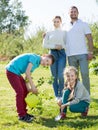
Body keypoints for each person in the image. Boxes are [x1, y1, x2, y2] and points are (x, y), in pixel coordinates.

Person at [6, 53, 55, 123]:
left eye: (47, 64)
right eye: (47, 60)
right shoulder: (34, 58)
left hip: (16, 73)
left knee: (25, 91)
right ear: (44, 55)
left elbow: (27, 77)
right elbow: (27, 72)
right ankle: (21, 115)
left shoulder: (37, 64)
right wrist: (33, 87)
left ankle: (24, 113)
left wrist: (28, 88)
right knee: (20, 92)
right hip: (11, 71)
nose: (45, 63)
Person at [65, 6, 93, 94]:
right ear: (69, 13)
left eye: (75, 11)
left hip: (82, 54)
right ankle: (77, 93)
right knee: (74, 76)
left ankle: (86, 94)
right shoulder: (65, 26)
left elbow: (89, 38)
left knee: (85, 74)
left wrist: (90, 51)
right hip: (70, 55)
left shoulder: (83, 24)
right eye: (71, 12)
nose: (73, 13)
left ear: (78, 13)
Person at [43, 16, 66, 100]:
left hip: (62, 54)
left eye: (58, 21)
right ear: (52, 22)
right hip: (52, 54)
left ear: (60, 22)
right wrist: (55, 46)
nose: (56, 23)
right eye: (54, 21)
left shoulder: (64, 32)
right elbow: (45, 45)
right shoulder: (48, 32)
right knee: (54, 76)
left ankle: (61, 93)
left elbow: (67, 43)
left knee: (61, 75)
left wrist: (61, 46)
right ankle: (57, 95)